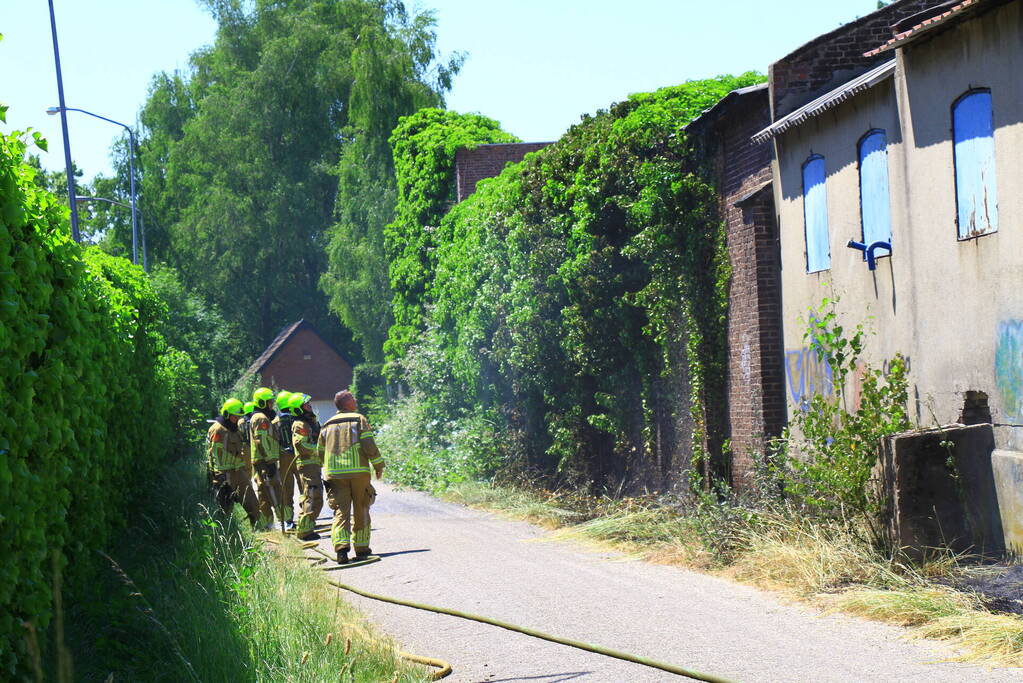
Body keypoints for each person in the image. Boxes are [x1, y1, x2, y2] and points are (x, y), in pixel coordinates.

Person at [318, 390, 384, 563]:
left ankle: (341, 549)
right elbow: (368, 444)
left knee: (341, 511)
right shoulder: (358, 419)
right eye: (352, 397)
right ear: (347, 402)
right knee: (361, 508)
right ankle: (361, 549)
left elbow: (320, 451)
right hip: (358, 473)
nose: (355, 399)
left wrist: (326, 467)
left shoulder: (326, 424)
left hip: (334, 475)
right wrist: (378, 464)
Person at [206, 398, 258, 524]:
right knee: (224, 509)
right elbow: (214, 455)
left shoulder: (234, 429)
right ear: (227, 415)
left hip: (238, 472)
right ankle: (224, 532)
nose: (237, 420)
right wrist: (220, 477)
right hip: (223, 475)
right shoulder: (217, 430)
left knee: (252, 503)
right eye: (235, 417)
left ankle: (258, 527)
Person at [290, 393, 323, 540]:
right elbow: (301, 445)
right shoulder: (299, 424)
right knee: (310, 496)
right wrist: (319, 450)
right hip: (307, 465)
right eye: (306, 404)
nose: (310, 406)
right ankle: (304, 531)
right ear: (298, 409)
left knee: (318, 498)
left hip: (315, 464)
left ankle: (308, 527)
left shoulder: (311, 422)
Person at [250, 386, 283, 530]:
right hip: (265, 461)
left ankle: (269, 525)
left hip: (261, 460)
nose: (272, 405)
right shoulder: (261, 418)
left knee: (264, 493)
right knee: (273, 491)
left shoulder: (260, 417)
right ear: (262, 403)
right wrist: (270, 461)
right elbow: (261, 440)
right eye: (269, 402)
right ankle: (282, 524)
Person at [273, 390, 298, 530]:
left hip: (283, 459)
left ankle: (288, 520)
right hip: (299, 456)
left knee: (286, 490)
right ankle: (308, 518)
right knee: (305, 487)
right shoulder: (298, 419)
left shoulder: (275, 422)